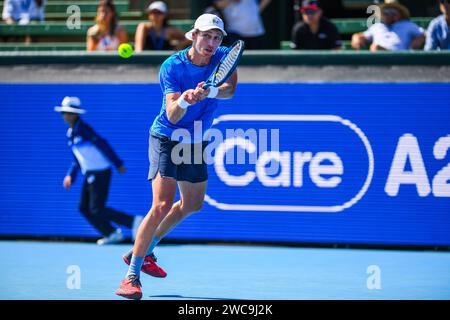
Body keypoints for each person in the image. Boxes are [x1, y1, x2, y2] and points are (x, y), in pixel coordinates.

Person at [115, 13, 238, 300]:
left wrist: (211, 92)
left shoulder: (224, 56)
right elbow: (172, 113)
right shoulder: (172, 66)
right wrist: (186, 98)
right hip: (167, 137)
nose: (211, 42)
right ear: (193, 36)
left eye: (217, 37)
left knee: (192, 204)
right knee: (161, 204)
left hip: (196, 139)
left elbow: (230, 90)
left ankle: (143, 251)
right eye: (206, 36)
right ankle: (131, 275)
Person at [54, 96, 143, 245]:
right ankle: (112, 233)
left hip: (100, 172)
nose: (65, 116)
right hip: (90, 173)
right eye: (63, 112)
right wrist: (70, 175)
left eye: (68, 112)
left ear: (76, 114)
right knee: (84, 208)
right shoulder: (71, 133)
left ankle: (134, 221)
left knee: (96, 208)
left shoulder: (84, 129)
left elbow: (103, 144)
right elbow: (77, 158)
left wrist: (118, 163)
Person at [351, 0, 425, 51]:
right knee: (375, 48)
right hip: (378, 56)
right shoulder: (377, 26)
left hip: (399, 56)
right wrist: (357, 37)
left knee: (375, 48)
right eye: (386, 12)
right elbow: (362, 36)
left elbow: (423, 34)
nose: (389, 15)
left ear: (400, 14)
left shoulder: (407, 24)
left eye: (393, 12)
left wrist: (415, 44)